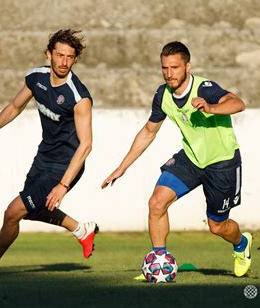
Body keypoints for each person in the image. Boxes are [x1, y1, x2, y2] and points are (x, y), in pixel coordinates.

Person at [102, 41, 252, 277]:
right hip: (191, 158)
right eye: (165, 68)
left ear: (187, 67)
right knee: (156, 203)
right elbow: (149, 131)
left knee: (217, 226)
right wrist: (122, 168)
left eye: (174, 67)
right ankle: (159, 262)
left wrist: (211, 107)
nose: (169, 74)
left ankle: (241, 244)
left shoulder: (205, 88)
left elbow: (238, 104)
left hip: (221, 162)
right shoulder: (163, 95)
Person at [0, 29, 98, 277]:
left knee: (13, 211)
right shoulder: (35, 78)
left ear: (75, 60)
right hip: (43, 158)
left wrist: (63, 185)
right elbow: (15, 106)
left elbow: (86, 145)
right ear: (48, 54)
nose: (63, 61)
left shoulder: (79, 96)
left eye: (69, 57)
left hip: (66, 165)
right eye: (59, 55)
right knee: (33, 211)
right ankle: (81, 230)